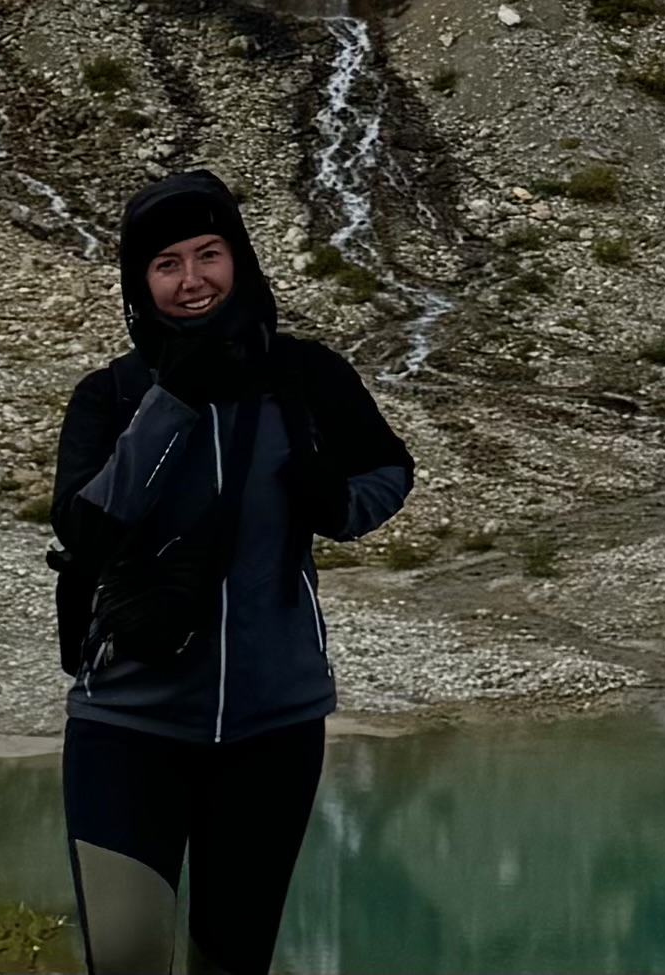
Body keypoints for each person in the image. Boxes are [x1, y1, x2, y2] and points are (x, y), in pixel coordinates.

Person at [49, 169, 414, 975]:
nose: (191, 280)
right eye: (166, 263)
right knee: (127, 957)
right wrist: (172, 399)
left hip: (272, 728)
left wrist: (337, 502)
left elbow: (388, 470)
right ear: (138, 282)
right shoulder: (110, 395)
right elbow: (84, 526)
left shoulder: (304, 375)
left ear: (239, 260)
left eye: (208, 254)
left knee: (232, 961)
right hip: (129, 726)